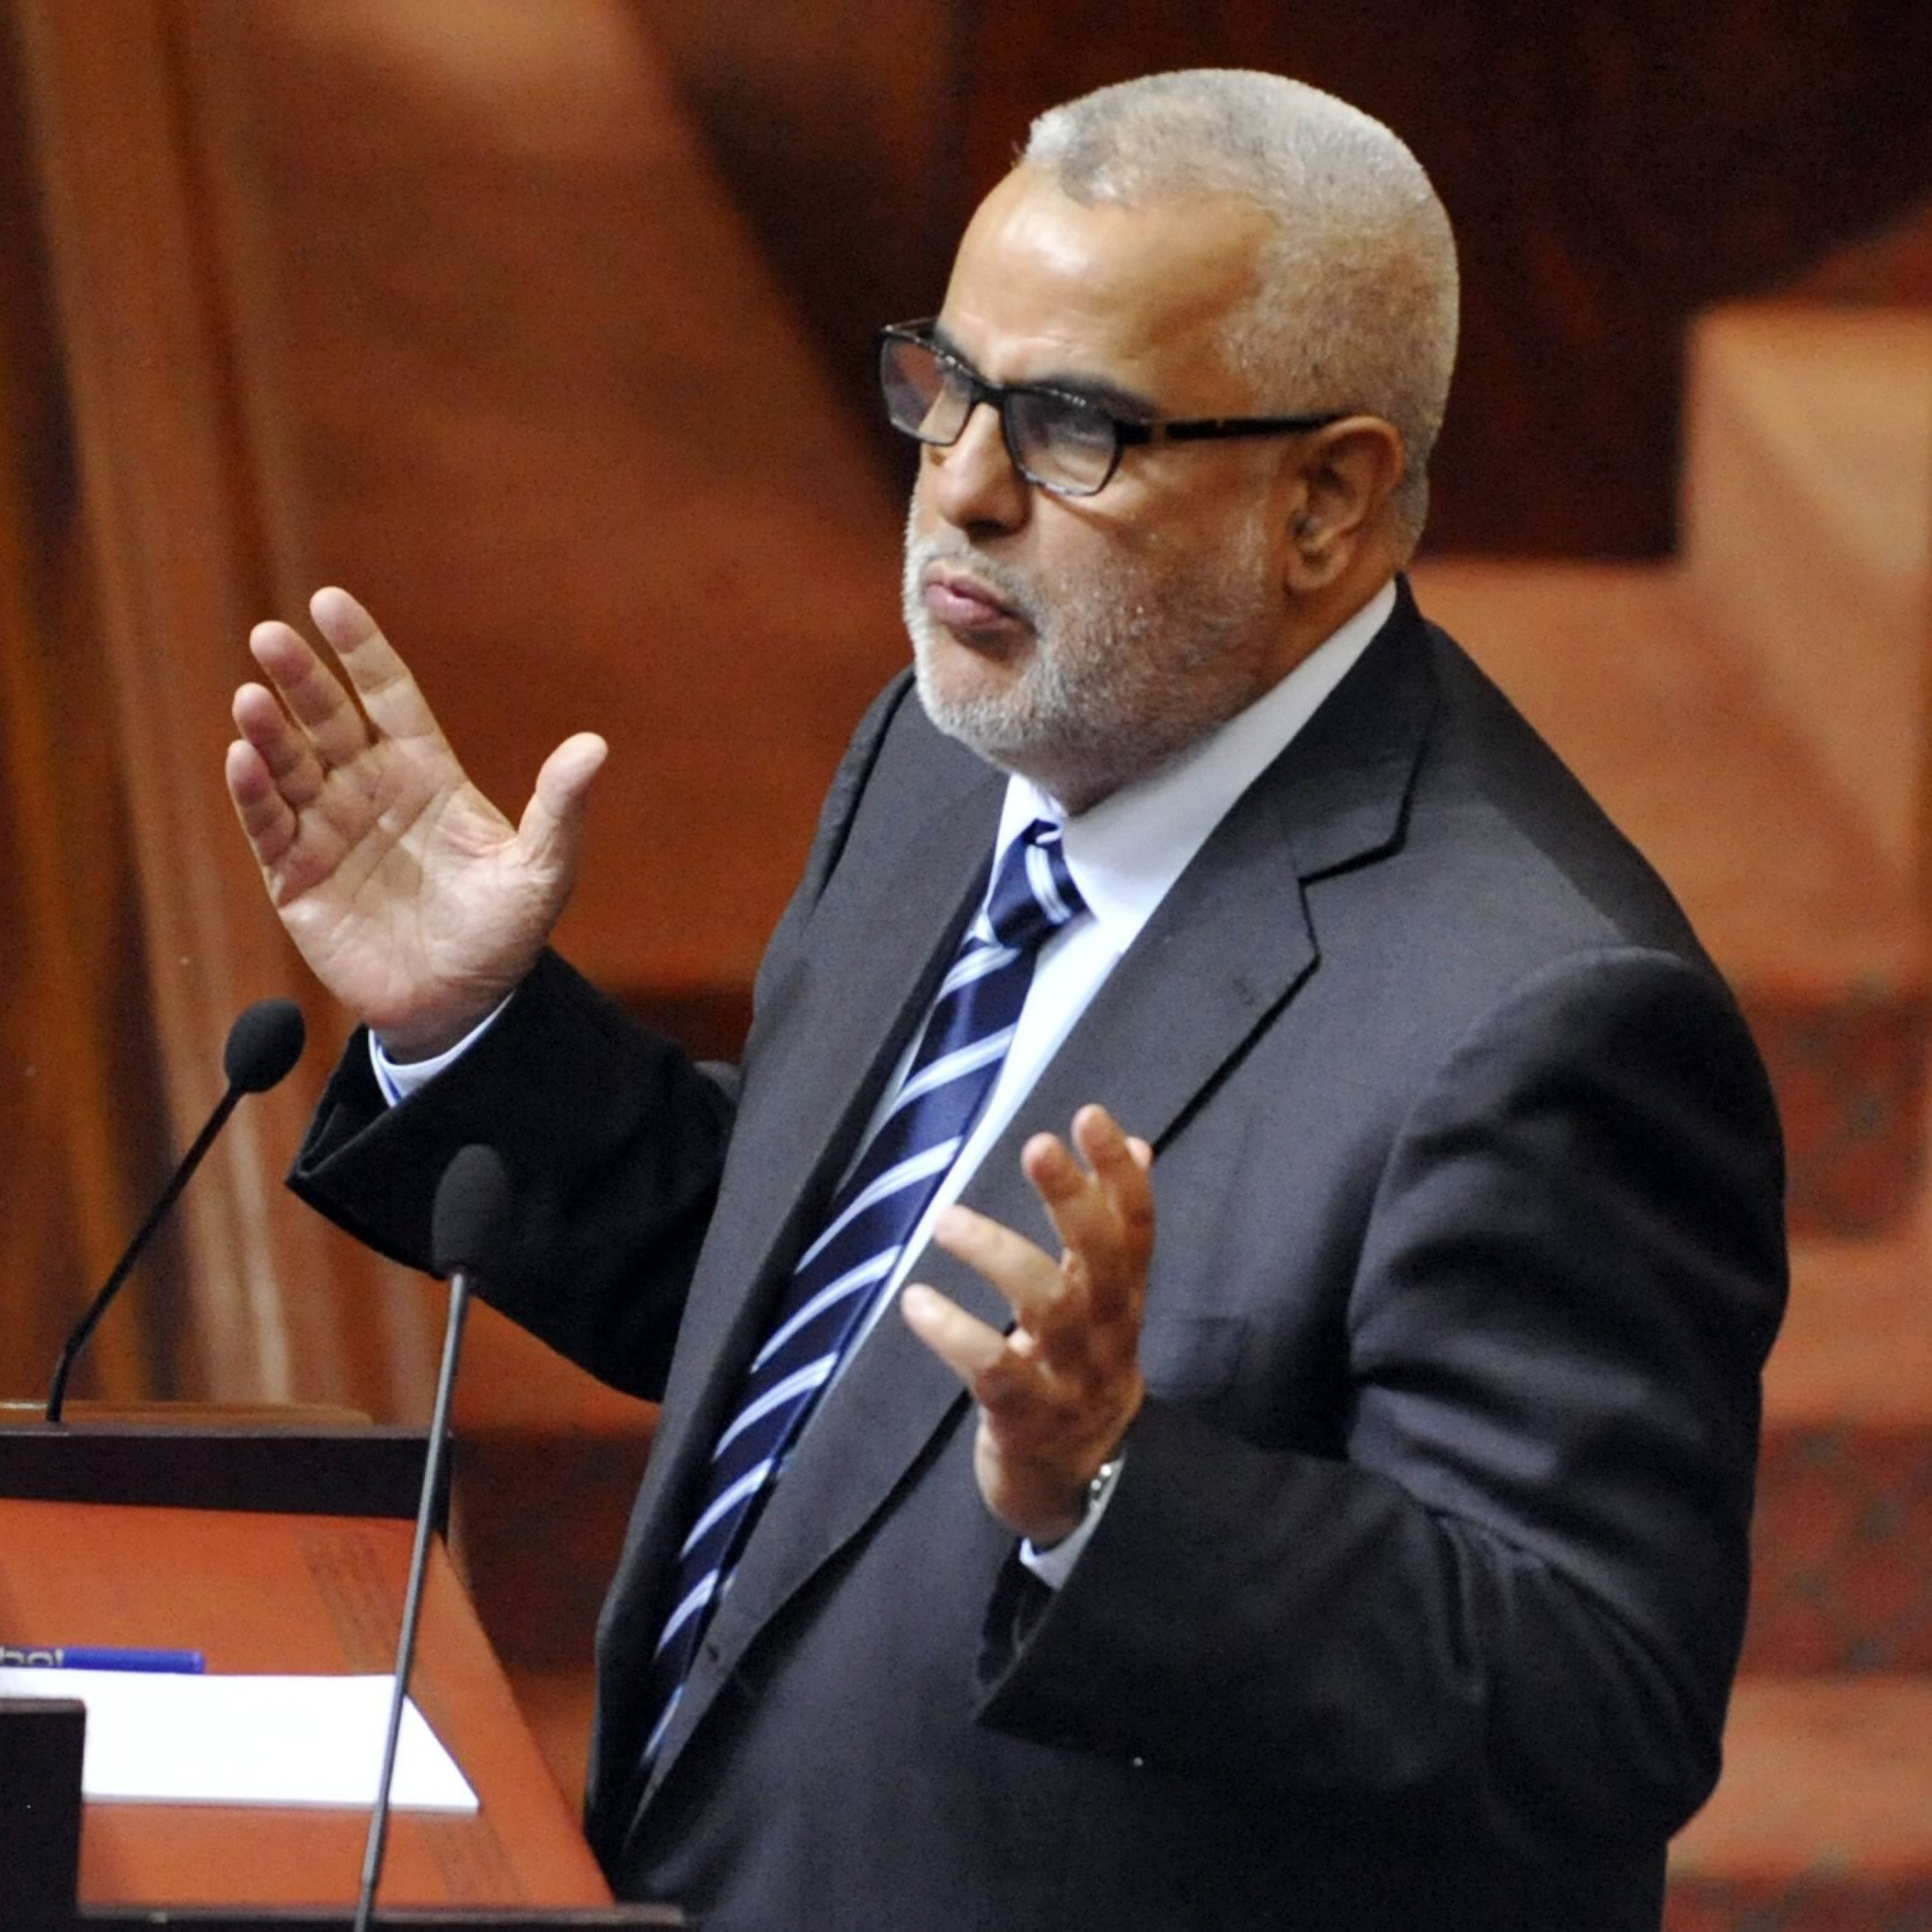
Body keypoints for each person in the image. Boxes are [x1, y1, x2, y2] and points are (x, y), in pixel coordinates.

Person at [225, 69, 1786, 1932]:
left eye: (1071, 429)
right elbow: (829, 1317)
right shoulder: (957, 751)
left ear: (1328, 501)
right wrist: (480, 1031)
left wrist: (1114, 1491)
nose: (959, 483)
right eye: (945, 383)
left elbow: (1592, 1703)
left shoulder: (1546, 1014)